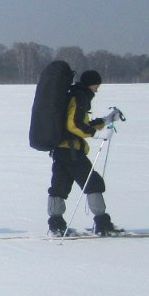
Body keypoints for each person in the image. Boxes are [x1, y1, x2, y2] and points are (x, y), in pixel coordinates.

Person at [48, 69, 122, 236]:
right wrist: (97, 135)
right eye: (97, 85)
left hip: (60, 149)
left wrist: (106, 120)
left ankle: (56, 226)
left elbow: (81, 123)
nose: (97, 89)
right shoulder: (80, 97)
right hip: (72, 151)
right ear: (91, 84)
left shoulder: (73, 95)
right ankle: (102, 224)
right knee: (93, 183)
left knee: (59, 187)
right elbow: (73, 124)